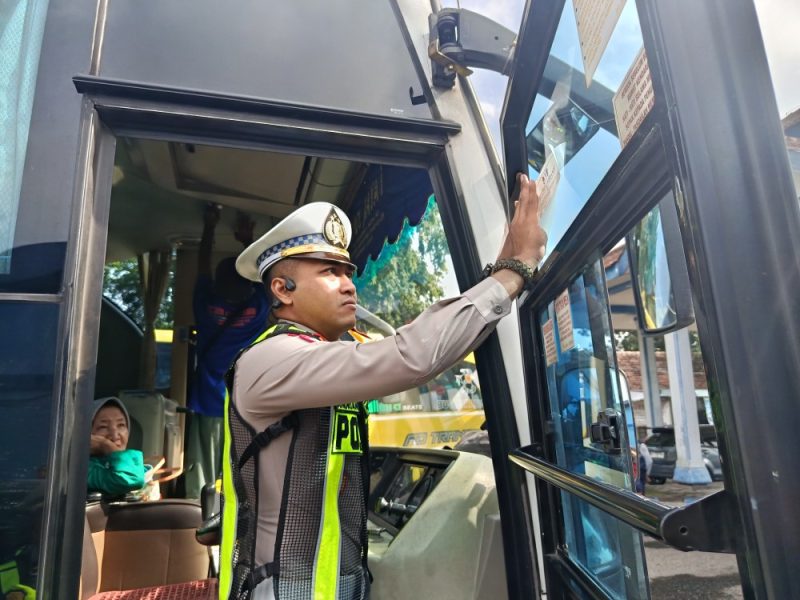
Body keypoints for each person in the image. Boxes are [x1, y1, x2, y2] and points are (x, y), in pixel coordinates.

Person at [220, 173, 547, 600]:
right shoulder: (272, 359)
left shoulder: (322, 355)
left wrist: (498, 272)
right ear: (283, 290)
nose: (349, 284)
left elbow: (420, 342)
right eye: (330, 272)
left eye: (348, 272)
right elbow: (411, 355)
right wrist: (515, 272)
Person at [185, 206, 270, 499]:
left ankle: (199, 516)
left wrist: (209, 227)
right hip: (243, 405)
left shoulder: (205, 307)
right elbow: (264, 276)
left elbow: (202, 266)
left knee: (204, 473)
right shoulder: (258, 309)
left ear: (217, 284)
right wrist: (247, 239)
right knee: (240, 470)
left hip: (208, 403)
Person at [88, 397, 146, 497]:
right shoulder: (85, 468)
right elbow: (129, 479)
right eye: (103, 427)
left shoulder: (132, 460)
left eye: (121, 425)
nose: (115, 436)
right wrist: (105, 445)